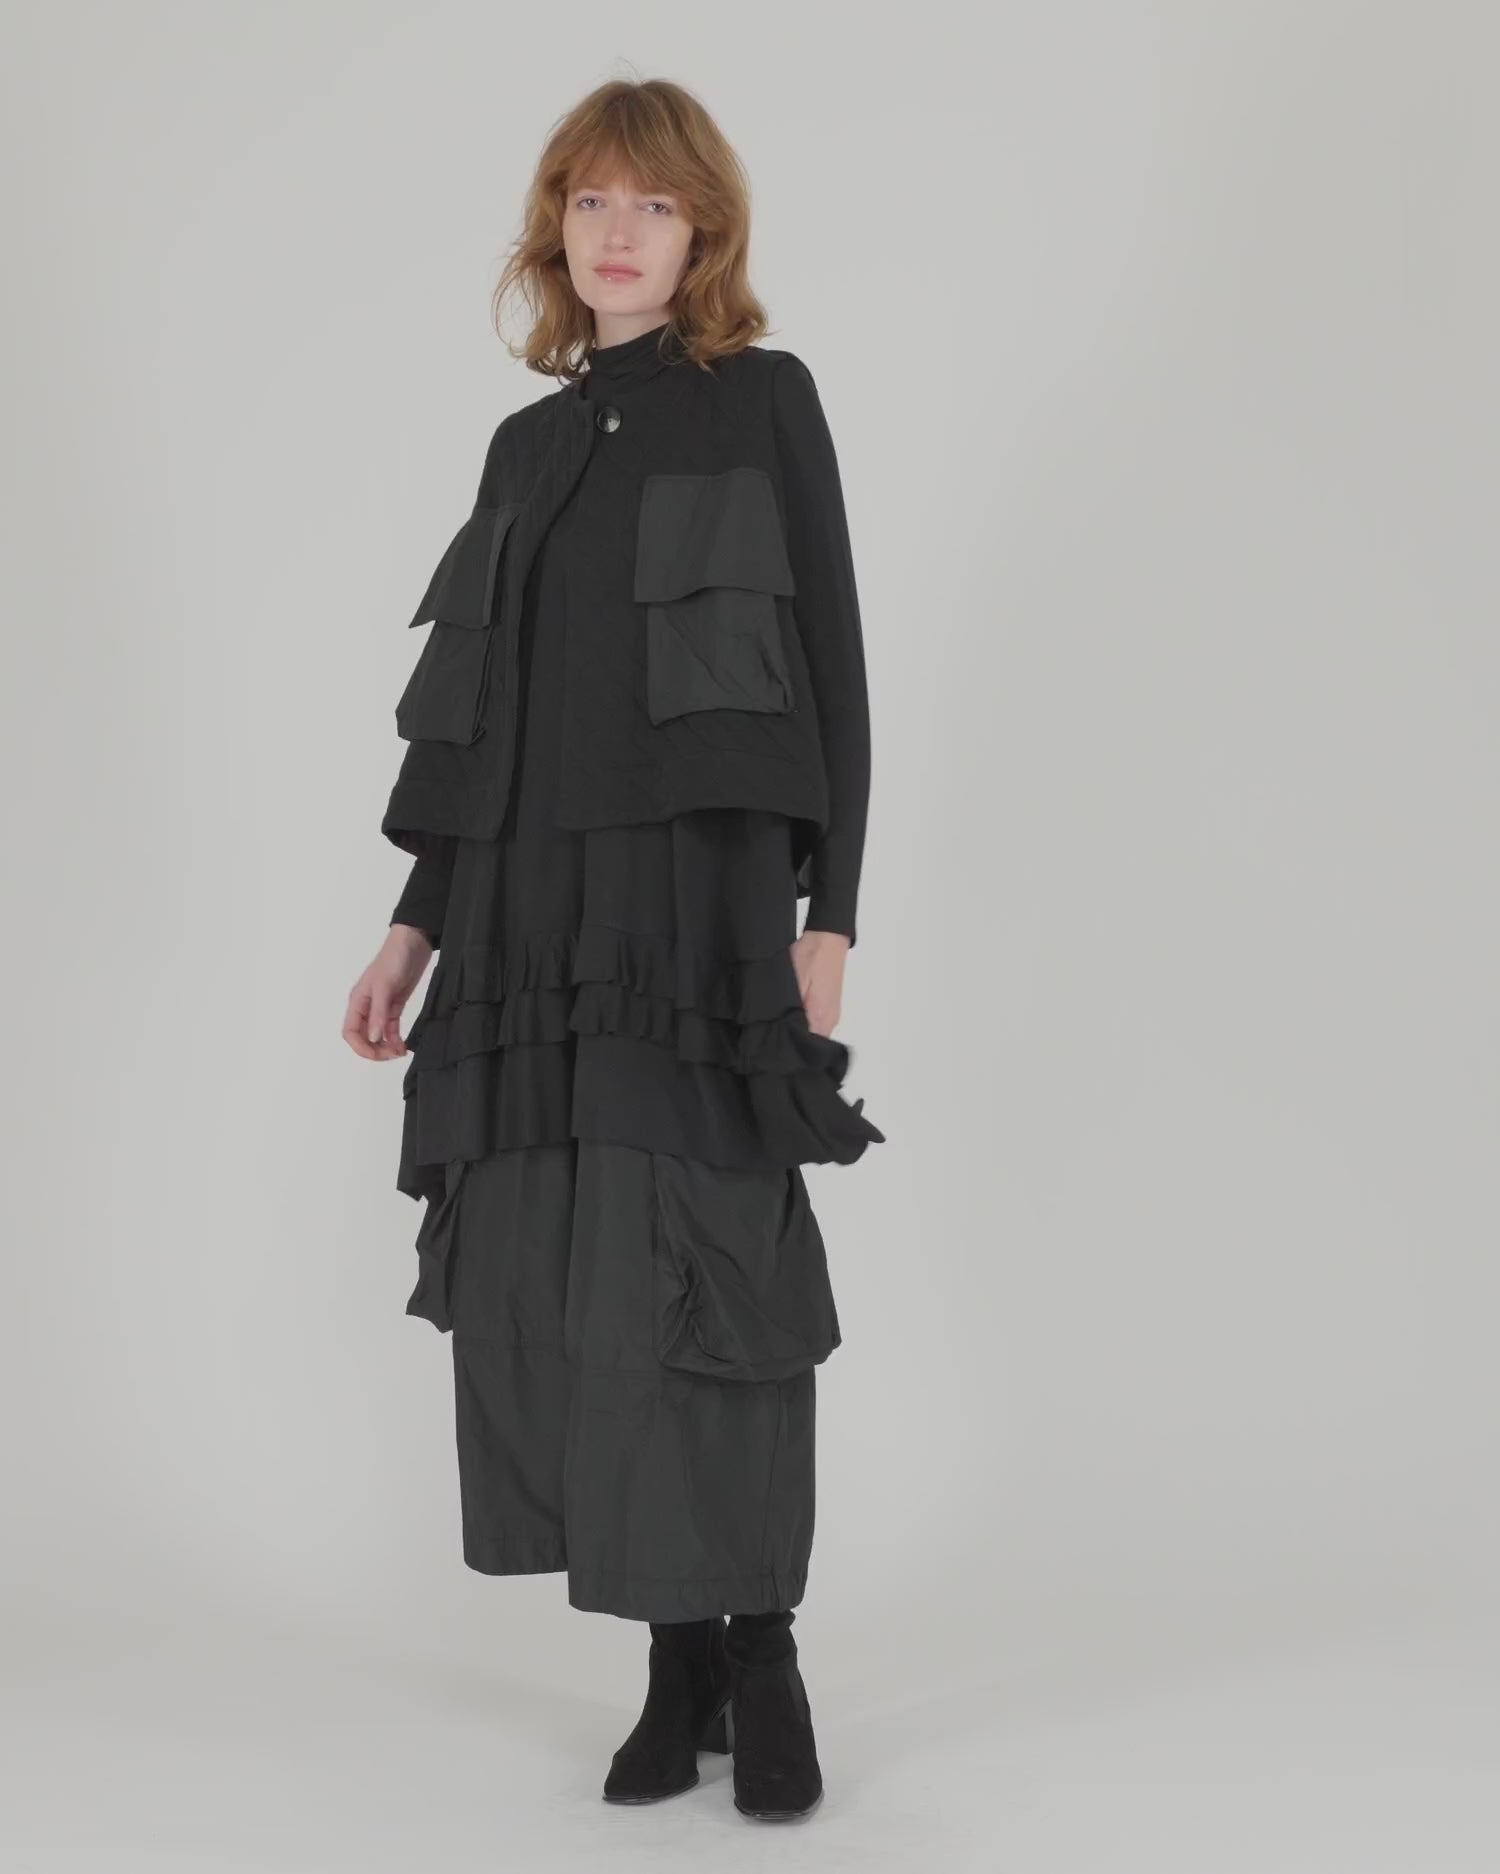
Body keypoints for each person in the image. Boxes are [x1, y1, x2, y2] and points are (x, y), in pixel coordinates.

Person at [342, 76, 882, 1822]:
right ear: (554, 230)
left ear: (703, 227)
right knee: (581, 1271)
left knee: (714, 1263)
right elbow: (476, 723)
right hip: (529, 920)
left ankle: (765, 1646)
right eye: (588, 202)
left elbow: (838, 670)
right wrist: (414, 926)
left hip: (697, 912)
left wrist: (832, 912)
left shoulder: (766, 400)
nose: (617, 232)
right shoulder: (529, 449)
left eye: (651, 203)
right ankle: (675, 1658)